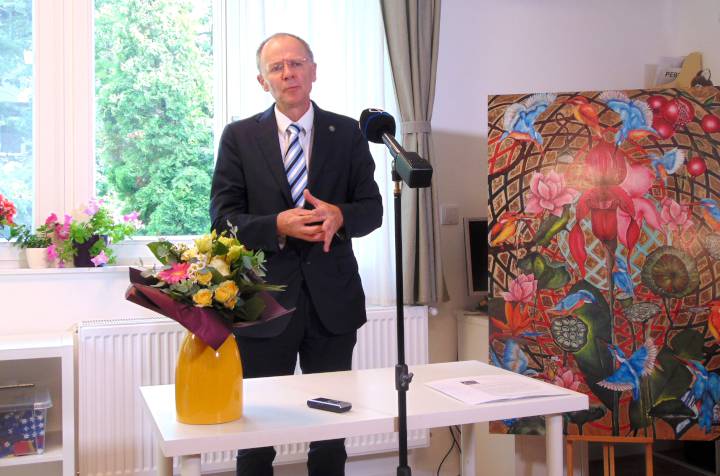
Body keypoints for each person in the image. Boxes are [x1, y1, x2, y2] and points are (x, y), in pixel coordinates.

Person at [209, 32, 383, 476]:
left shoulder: (347, 133)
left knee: (331, 429)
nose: (288, 73)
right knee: (256, 432)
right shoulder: (239, 137)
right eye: (276, 67)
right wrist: (276, 226)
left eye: (296, 63)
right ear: (262, 80)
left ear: (313, 71)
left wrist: (340, 215)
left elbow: (373, 210)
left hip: (333, 304)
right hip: (263, 303)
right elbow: (223, 221)